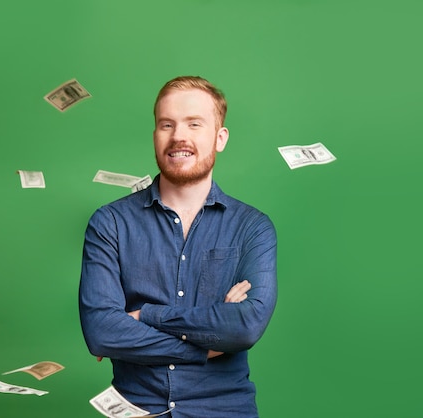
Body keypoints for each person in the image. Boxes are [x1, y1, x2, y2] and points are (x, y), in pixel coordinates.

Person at [79, 76, 277, 418]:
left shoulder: (252, 227)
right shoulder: (109, 223)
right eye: (166, 124)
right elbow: (102, 333)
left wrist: (145, 315)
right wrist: (206, 347)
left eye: (194, 124)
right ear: (155, 135)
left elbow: (244, 326)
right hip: (137, 409)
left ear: (220, 138)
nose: (178, 137)